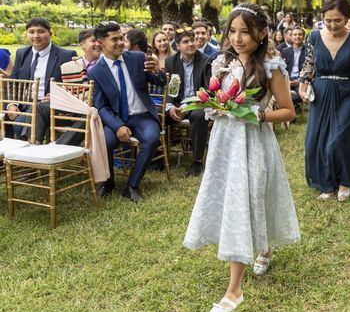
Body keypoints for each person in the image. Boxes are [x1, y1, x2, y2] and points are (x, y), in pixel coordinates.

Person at [183, 3, 299, 312]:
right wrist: (215, 106)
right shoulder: (221, 62)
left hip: (254, 141)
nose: (237, 38)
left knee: (249, 199)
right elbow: (215, 96)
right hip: (224, 143)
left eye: (245, 31)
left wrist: (258, 114)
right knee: (234, 200)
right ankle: (263, 247)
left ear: (261, 33)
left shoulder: (271, 66)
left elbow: (289, 111)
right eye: (233, 31)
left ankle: (234, 289)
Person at [298, 0, 350, 201]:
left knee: (339, 138)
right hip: (321, 91)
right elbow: (308, 64)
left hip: (348, 91)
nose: (332, 25)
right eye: (327, 20)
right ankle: (327, 182)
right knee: (317, 139)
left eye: (337, 20)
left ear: (348, 18)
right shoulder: (313, 36)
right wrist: (303, 87)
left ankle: (345, 181)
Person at [88, 21, 165, 203]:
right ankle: (108, 182)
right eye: (114, 39)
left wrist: (156, 71)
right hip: (115, 118)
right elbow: (100, 106)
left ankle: (132, 185)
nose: (121, 43)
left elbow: (161, 82)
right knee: (105, 140)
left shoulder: (137, 58)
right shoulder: (95, 72)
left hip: (142, 116)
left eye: (121, 38)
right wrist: (118, 126)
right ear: (100, 43)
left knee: (152, 138)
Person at [7, 17, 76, 142]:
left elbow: (74, 86)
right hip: (26, 104)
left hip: (51, 106)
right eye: (32, 32)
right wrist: (12, 104)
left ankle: (29, 154)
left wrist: (57, 95)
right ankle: (8, 156)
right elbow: (14, 82)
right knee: (7, 114)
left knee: (20, 124)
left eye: (41, 31)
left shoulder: (66, 55)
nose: (36, 35)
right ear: (26, 34)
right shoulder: (22, 53)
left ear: (50, 34)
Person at [164, 31, 209, 177]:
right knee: (157, 113)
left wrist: (185, 107)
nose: (191, 44)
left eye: (192, 40)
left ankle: (196, 161)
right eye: (185, 42)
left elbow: (207, 91)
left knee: (199, 116)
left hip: (198, 102)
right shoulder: (171, 61)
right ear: (177, 46)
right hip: (178, 102)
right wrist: (170, 108)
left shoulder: (206, 61)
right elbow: (171, 90)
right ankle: (159, 157)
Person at [281, 26, 306, 111]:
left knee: (300, 94)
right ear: (291, 37)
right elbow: (282, 68)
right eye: (295, 34)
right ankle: (292, 109)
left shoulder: (308, 51)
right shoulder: (285, 51)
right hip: (287, 79)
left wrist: (300, 79)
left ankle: (288, 110)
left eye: (300, 34)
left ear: (303, 36)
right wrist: (287, 80)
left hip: (301, 79)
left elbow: (311, 69)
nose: (297, 37)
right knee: (279, 93)